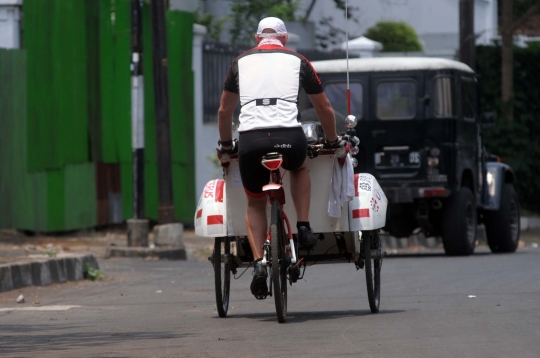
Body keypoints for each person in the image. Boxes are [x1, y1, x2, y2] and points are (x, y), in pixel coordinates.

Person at [217, 17, 341, 299]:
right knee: (298, 168)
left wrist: (226, 145)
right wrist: (332, 140)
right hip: (291, 138)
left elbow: (224, 112)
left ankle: (260, 261)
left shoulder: (240, 62)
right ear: (284, 39)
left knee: (255, 201)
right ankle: (304, 226)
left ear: (257, 38)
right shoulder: (299, 61)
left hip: (250, 141)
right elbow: (324, 107)